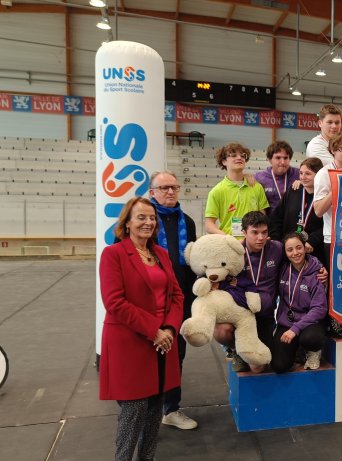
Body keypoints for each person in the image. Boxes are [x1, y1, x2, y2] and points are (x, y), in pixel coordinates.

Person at [98, 197, 183, 461]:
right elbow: (114, 302)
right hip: (130, 342)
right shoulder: (113, 254)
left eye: (151, 218)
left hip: (163, 342)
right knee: (133, 411)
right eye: (141, 217)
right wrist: (153, 330)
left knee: (155, 408)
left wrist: (169, 329)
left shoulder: (161, 254)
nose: (148, 222)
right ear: (127, 222)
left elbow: (177, 296)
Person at [148, 172, 198, 431]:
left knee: (176, 354)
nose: (170, 192)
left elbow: (191, 261)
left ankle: (171, 409)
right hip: (150, 302)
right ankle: (145, 410)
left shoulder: (187, 222)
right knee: (147, 356)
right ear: (151, 192)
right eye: (164, 188)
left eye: (174, 187)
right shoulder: (145, 222)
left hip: (180, 301)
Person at [212, 212, 283, 372]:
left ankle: (247, 351)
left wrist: (319, 270)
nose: (260, 238)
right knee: (220, 331)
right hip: (240, 314)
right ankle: (236, 350)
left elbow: (298, 257)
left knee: (257, 367)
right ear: (244, 232)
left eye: (264, 232)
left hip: (264, 315)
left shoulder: (277, 249)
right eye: (255, 232)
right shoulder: (233, 253)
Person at [313, 132, 342, 339]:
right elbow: (318, 210)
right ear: (333, 150)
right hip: (334, 238)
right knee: (336, 283)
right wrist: (337, 188)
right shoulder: (325, 173)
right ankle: (334, 321)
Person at [271, 233, 328, 373]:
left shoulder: (317, 272)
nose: (295, 253)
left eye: (298, 248)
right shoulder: (282, 269)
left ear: (305, 248)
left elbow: (319, 308)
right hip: (287, 323)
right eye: (290, 250)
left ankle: (312, 351)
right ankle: (298, 350)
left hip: (309, 323)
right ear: (285, 252)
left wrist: (295, 329)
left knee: (310, 338)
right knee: (279, 365)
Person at [204, 142, 270, 238]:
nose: (239, 158)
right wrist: (227, 238)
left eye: (243, 155)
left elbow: (262, 218)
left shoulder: (256, 187)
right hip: (230, 245)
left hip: (253, 244)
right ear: (224, 161)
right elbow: (209, 224)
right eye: (233, 155)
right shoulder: (216, 191)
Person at [269, 157, 326, 266]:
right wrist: (277, 242)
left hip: (314, 249)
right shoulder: (294, 190)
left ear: (319, 176)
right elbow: (277, 217)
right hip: (290, 250)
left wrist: (314, 240)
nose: (303, 177)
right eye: (301, 173)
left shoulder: (325, 195)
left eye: (308, 174)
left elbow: (330, 224)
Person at [255, 140, 300, 212]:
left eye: (285, 158)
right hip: (270, 221)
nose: (282, 162)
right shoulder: (259, 177)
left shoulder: (299, 174)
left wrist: (304, 183)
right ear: (270, 160)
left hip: (293, 220)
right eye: (278, 158)